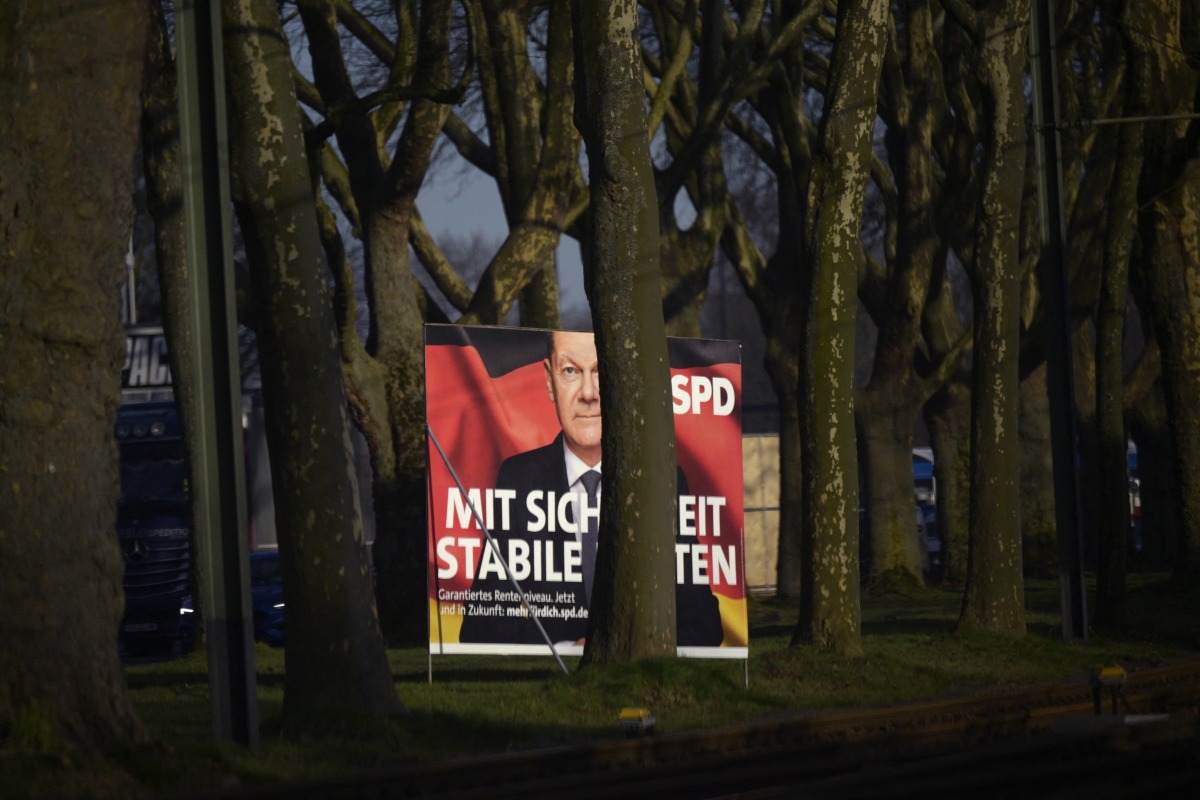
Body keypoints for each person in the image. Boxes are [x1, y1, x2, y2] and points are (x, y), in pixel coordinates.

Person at [458, 330, 724, 647]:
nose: (588, 393)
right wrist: (568, 650)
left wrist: (627, 650)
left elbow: (704, 623)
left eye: (602, 372)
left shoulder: (660, 480)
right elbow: (481, 625)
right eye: (570, 370)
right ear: (549, 381)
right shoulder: (520, 479)